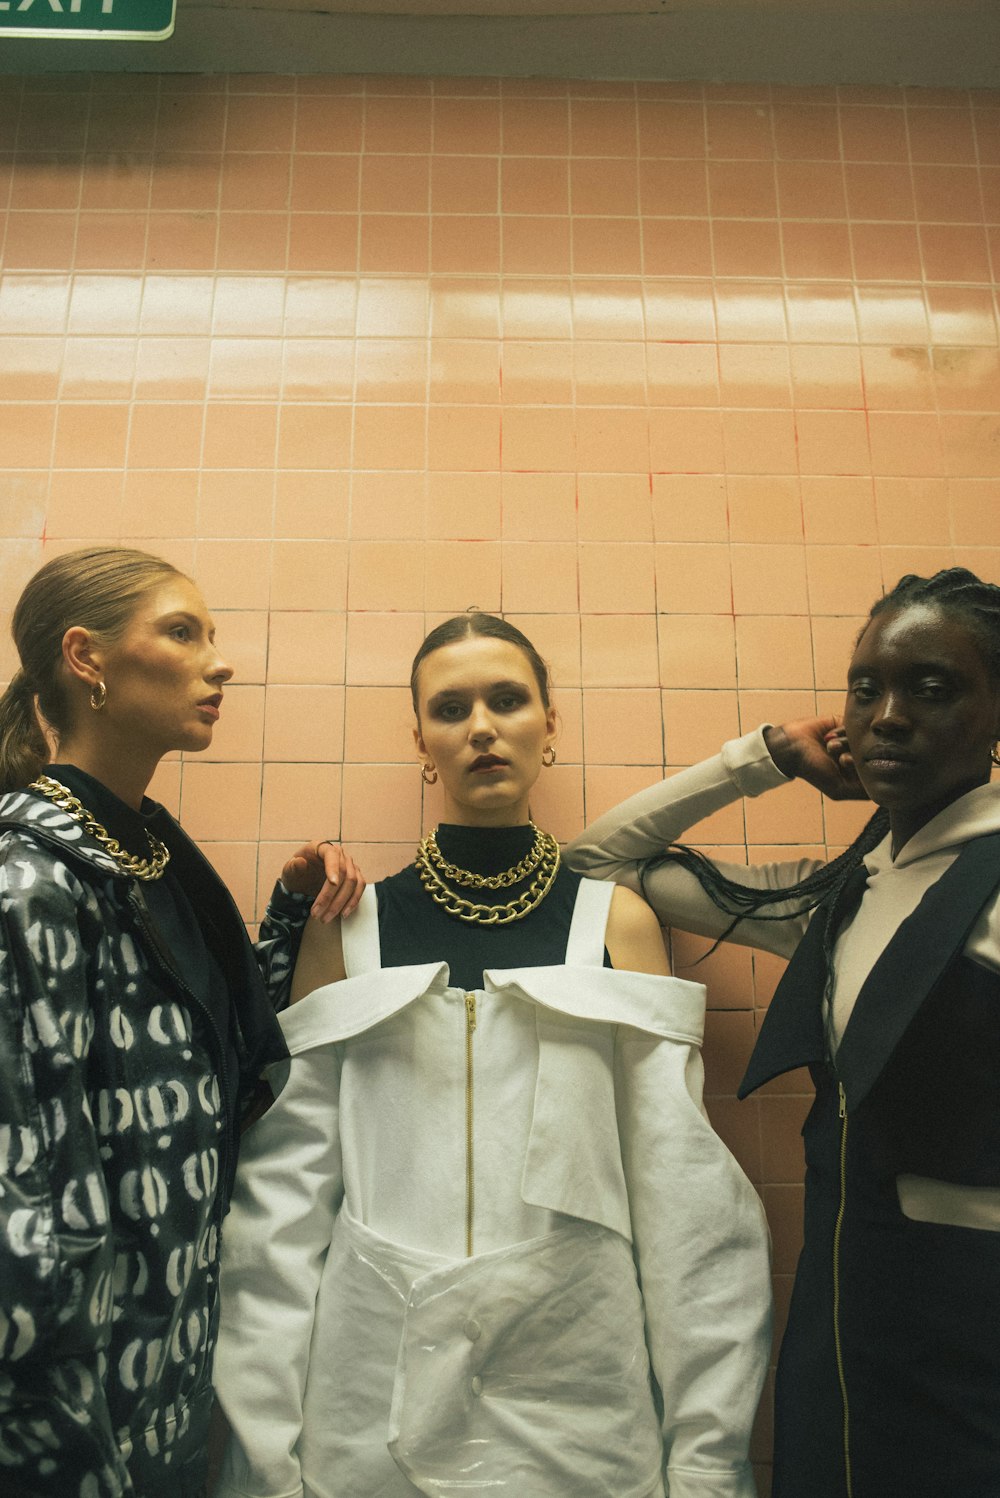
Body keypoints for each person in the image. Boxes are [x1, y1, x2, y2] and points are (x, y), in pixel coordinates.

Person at [211, 611, 772, 1498]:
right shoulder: (346, 927)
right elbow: (281, 1212)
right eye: (451, 707)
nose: (481, 726)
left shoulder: (615, 921)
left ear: (551, 725)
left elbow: (685, 1204)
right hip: (370, 1405)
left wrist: (706, 1462)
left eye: (508, 700)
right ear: (422, 740)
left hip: (579, 1400)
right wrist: (261, 1465)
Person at [564, 566, 1000, 1498]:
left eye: (932, 688)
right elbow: (597, 865)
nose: (885, 716)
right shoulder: (836, 897)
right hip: (843, 1345)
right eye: (865, 686)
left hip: (974, 1349)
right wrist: (762, 757)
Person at [0, 547, 362, 1498]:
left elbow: (209, 1060)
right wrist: (66, 1420)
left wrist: (288, 921)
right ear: (87, 657)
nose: (221, 661)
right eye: (183, 631)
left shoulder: (149, 854)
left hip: (167, 1358)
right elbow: (20, 1184)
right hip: (66, 1392)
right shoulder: (29, 881)